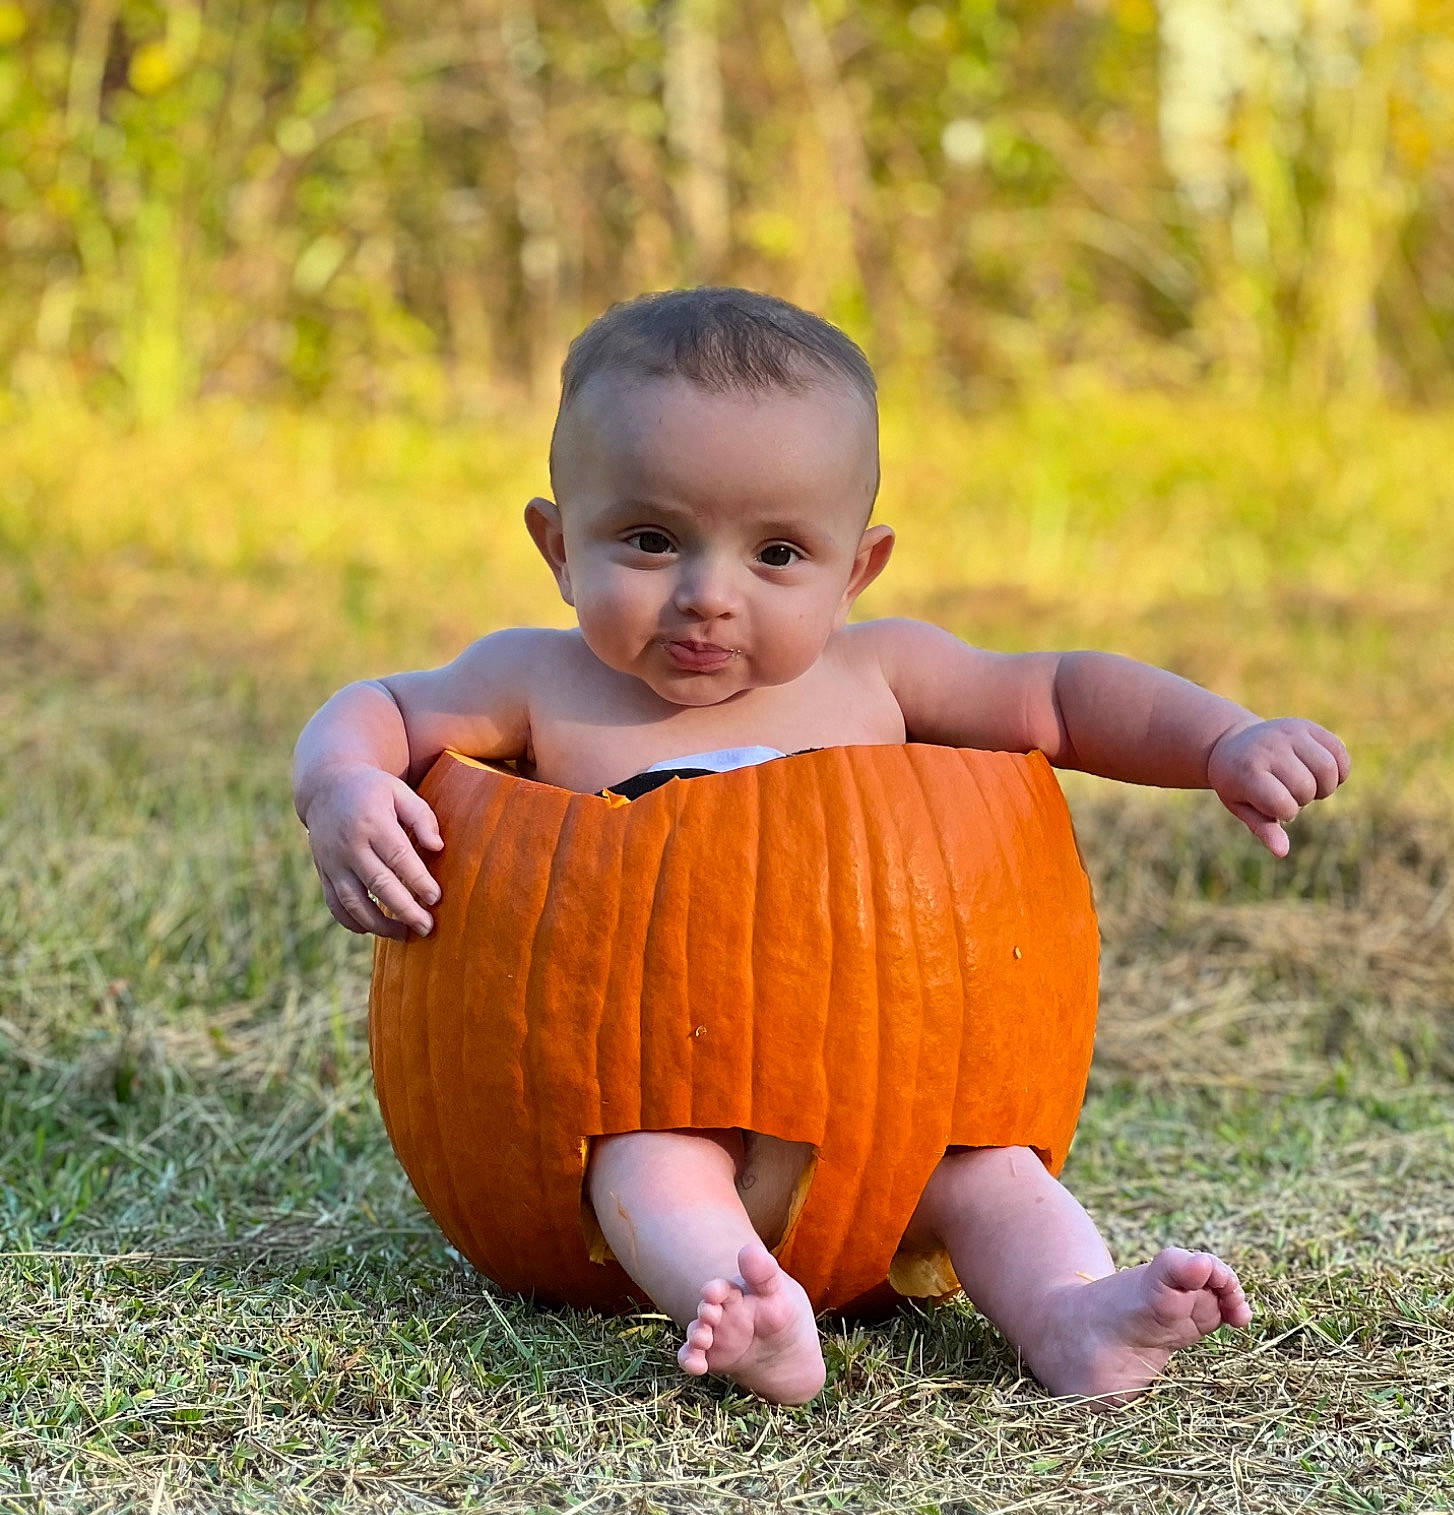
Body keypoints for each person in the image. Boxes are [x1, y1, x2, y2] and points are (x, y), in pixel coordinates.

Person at [293, 287, 1349, 1408]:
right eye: (650, 540)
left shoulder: (879, 672)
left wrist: (1221, 741)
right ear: (559, 545)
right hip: (653, 1089)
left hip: (889, 1110)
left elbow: (1063, 691)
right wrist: (345, 781)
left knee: (989, 1172)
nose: (707, 596)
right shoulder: (537, 683)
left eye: (778, 553)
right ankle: (746, 1306)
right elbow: (381, 707)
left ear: (857, 570)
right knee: (641, 1165)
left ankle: (1072, 1311)